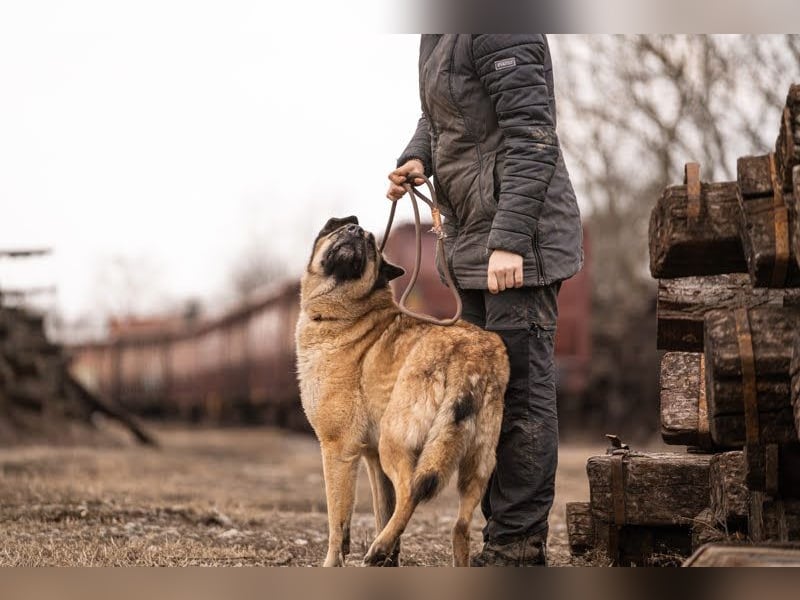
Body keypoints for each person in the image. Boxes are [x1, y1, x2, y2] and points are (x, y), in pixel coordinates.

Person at [386, 34, 583, 566]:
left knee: (518, 399)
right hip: (473, 241)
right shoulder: (439, 33)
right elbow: (440, 115)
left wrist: (511, 240)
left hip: (518, 244)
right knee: (482, 405)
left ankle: (517, 549)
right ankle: (501, 538)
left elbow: (531, 135)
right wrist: (418, 156)